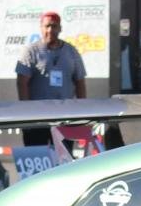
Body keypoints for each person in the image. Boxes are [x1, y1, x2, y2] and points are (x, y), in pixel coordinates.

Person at [16, 12, 88, 152]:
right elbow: (21, 83)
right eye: (47, 26)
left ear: (60, 28)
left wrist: (82, 111)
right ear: (41, 28)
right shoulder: (30, 51)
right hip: (37, 119)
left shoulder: (71, 51)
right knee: (38, 160)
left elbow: (80, 82)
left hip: (64, 119)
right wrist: (26, 112)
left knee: (64, 162)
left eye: (54, 26)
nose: (50, 30)